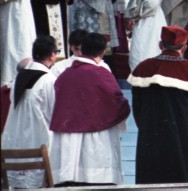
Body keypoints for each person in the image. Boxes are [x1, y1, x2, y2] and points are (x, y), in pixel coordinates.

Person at [127, 25, 188, 184]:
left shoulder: (144, 68)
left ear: (160, 44)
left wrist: (145, 126)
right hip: (185, 135)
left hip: (152, 133)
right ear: (184, 47)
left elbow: (137, 105)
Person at [49, 32, 130, 186]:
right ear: (102, 52)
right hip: (97, 139)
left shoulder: (64, 74)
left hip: (67, 140)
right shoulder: (101, 73)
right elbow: (119, 104)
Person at [1, 36, 58, 189]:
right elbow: (54, 114)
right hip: (40, 142)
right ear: (52, 55)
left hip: (14, 143)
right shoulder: (48, 80)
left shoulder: (19, 78)